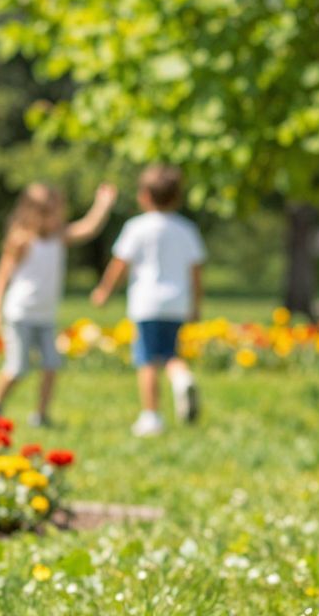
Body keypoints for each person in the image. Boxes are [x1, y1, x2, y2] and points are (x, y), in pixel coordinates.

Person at [0, 181, 118, 426]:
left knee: (51, 364)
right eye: (46, 213)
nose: (52, 219)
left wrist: (102, 204)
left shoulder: (59, 237)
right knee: (18, 367)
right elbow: (0, 279)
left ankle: (41, 415)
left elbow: (89, 228)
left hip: (45, 316)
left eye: (56, 212)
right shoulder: (21, 241)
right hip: (20, 313)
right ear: (30, 212)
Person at [91, 164, 206, 437]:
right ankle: (182, 377)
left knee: (147, 361)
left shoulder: (136, 228)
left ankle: (151, 416)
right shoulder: (186, 229)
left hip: (146, 303)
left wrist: (104, 291)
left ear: (143, 196)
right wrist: (196, 304)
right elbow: (196, 272)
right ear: (177, 197)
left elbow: (120, 264)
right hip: (177, 302)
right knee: (170, 353)